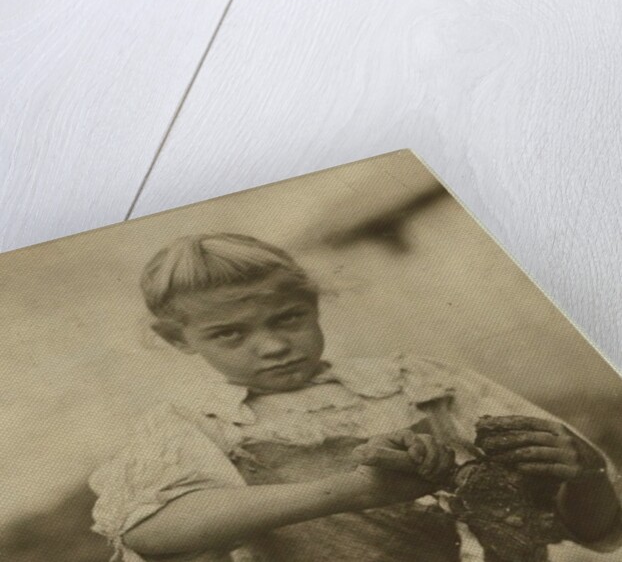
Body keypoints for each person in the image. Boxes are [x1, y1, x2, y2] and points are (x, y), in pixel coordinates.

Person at [89, 233, 622, 562]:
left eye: (288, 318)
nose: (273, 346)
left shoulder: (420, 381)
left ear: (313, 303)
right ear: (178, 339)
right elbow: (150, 530)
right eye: (230, 334)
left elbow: (596, 528)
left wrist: (587, 472)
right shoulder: (195, 424)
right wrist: (358, 490)